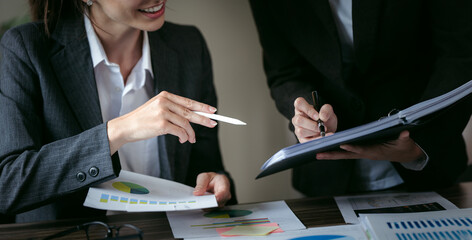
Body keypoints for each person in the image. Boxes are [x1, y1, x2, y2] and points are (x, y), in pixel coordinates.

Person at [0, 0, 236, 223]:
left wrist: (213, 182)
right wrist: (119, 131)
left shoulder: (188, 46)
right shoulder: (25, 48)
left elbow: (205, 165)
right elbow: (8, 185)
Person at [249, 0, 472, 197]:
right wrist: (306, 111)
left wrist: (424, 141)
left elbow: (460, 54)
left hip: (429, 167)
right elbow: (285, 72)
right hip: (324, 181)